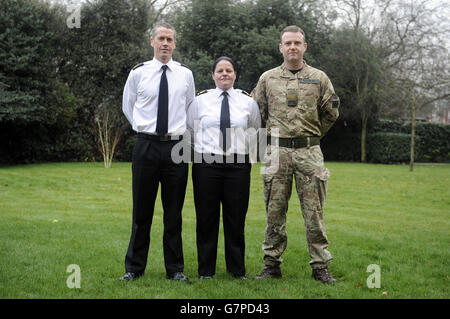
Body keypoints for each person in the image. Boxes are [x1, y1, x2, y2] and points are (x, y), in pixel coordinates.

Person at [252, 26, 339, 283]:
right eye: (287, 43)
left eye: (297, 43)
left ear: (304, 46)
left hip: (309, 153)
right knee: (274, 211)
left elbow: (331, 112)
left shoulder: (319, 78)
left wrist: (312, 136)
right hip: (276, 153)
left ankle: (320, 266)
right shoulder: (267, 79)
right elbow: (258, 114)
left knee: (314, 212)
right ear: (280, 47)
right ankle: (271, 264)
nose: (292, 47)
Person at [120, 22, 196, 282]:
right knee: (141, 211)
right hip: (146, 146)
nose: (165, 43)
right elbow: (128, 105)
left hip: (176, 147)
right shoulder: (139, 73)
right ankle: (133, 268)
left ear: (175, 44)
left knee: (173, 212)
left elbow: (190, 110)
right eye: (161, 38)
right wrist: (144, 129)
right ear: (151, 40)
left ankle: (175, 269)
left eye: (170, 39)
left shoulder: (185, 74)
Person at [188, 56, 261, 280]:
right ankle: (205, 271)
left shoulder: (247, 102)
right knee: (206, 218)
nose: (224, 74)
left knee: (235, 218)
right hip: (206, 165)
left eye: (229, 70)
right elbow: (190, 129)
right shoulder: (200, 101)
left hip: (237, 166)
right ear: (213, 75)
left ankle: (237, 270)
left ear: (235, 75)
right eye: (220, 70)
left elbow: (255, 130)